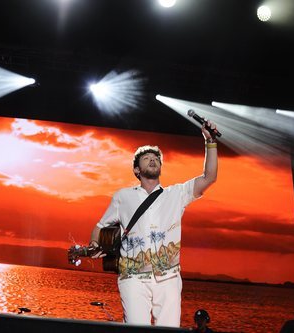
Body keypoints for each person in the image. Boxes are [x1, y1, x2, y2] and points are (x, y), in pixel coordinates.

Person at [89, 119, 219, 327]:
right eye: (146, 158)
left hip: (168, 278)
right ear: (136, 170)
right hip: (132, 278)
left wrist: (210, 142)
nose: (152, 160)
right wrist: (95, 245)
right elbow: (99, 226)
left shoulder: (177, 193)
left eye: (156, 158)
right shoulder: (123, 196)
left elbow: (209, 176)